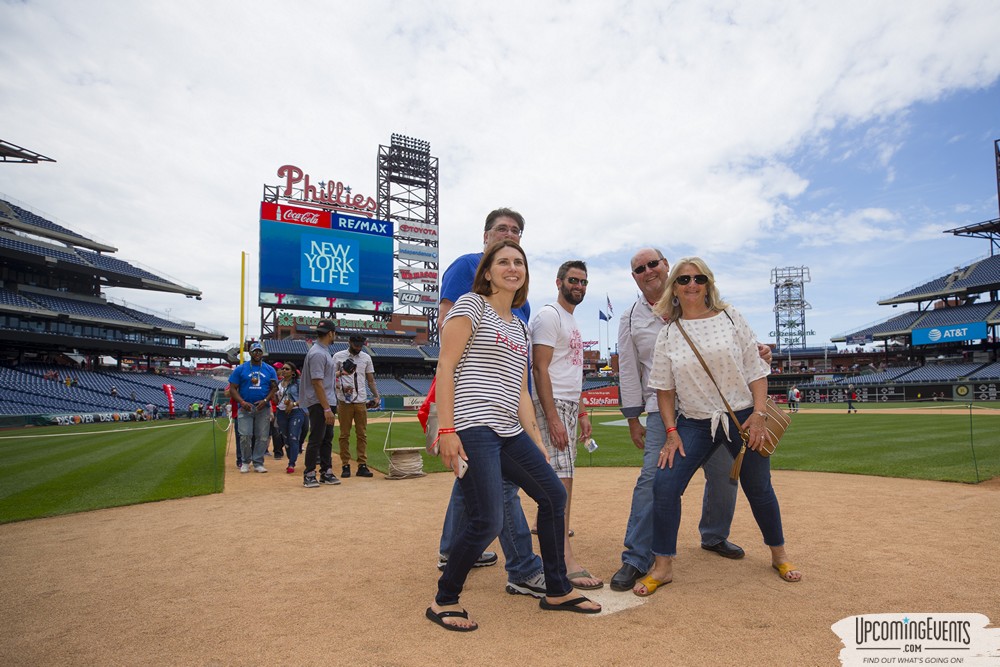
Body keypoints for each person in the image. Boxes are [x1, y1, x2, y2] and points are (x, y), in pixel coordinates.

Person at [426, 240, 601, 632]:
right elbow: (446, 364)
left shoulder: (520, 327)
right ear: (487, 271)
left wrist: (536, 440)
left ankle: (557, 589)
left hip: (509, 431)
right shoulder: (471, 305)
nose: (512, 267)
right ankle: (445, 599)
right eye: (502, 261)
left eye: (518, 262)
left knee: (554, 495)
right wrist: (448, 428)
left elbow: (521, 390)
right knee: (487, 519)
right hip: (474, 426)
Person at [633, 257, 801, 597]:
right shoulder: (668, 333)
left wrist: (758, 415)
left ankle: (779, 554)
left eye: (698, 278)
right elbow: (664, 391)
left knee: (759, 489)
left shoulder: (731, 317)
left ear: (708, 283)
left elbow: (756, 371)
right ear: (674, 288)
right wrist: (670, 432)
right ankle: (663, 566)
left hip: (741, 417)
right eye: (683, 280)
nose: (691, 284)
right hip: (693, 422)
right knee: (664, 485)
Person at [434, 207, 544, 598]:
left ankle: (452, 551)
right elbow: (449, 335)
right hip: (470, 403)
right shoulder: (467, 266)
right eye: (500, 229)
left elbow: (517, 362)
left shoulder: (521, 305)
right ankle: (524, 568)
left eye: (515, 231)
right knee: (501, 487)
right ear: (485, 236)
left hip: (505, 406)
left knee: (476, 482)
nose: (507, 234)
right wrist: (448, 423)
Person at [530, 260, 601, 590]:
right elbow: (540, 369)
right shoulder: (549, 315)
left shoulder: (571, 319)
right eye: (573, 280)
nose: (579, 286)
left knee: (563, 478)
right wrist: (554, 417)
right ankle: (563, 559)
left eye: (584, 282)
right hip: (552, 404)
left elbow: (573, 372)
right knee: (562, 482)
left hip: (569, 404)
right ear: (558, 282)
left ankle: (551, 543)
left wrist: (582, 412)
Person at [332, 334, 380, 478]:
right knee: (344, 434)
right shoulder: (338, 356)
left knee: (362, 434)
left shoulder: (366, 358)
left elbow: (370, 380)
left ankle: (362, 465)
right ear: (349, 342)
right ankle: (345, 464)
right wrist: (341, 374)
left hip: (360, 400)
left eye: (361, 345)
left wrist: (376, 395)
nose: (358, 347)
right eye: (356, 344)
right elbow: (330, 375)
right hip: (344, 400)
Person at [300, 319, 340, 488]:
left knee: (327, 438)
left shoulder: (323, 351)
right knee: (317, 437)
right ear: (330, 333)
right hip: (319, 402)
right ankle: (309, 473)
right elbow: (317, 382)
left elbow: (323, 377)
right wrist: (326, 408)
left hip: (327, 400)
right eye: (334, 332)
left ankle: (326, 471)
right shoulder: (317, 353)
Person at [228, 342, 279, 473]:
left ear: (263, 353)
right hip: (245, 407)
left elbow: (274, 388)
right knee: (245, 435)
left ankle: (258, 462)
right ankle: (245, 461)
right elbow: (233, 388)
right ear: (250, 353)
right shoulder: (241, 369)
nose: (257, 354)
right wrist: (242, 402)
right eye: (255, 351)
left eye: (259, 351)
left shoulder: (269, 369)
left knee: (262, 436)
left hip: (263, 407)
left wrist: (266, 400)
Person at [275, 362, 308, 474]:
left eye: (287, 369)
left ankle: (291, 463)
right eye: (283, 368)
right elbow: (276, 400)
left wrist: (293, 404)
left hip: (296, 412)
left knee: (293, 436)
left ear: (293, 372)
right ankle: (291, 455)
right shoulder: (279, 384)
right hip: (281, 412)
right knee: (285, 437)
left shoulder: (298, 383)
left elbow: (306, 398)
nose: (284, 370)